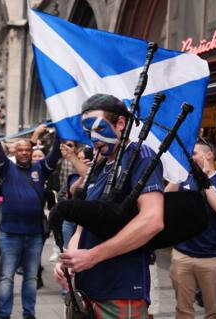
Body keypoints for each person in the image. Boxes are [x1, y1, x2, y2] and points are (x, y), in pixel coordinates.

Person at [53, 94, 164, 317]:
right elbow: (82, 227)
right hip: (87, 289)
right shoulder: (99, 167)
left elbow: (153, 220)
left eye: (99, 128)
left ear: (121, 123)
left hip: (121, 289)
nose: (93, 138)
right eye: (88, 132)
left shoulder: (142, 156)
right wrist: (70, 261)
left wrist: (93, 255)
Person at [0, 105, 61, 319]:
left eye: (27, 150)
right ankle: (3, 314)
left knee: (30, 278)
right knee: (6, 277)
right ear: (14, 152)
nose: (23, 153)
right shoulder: (6, 168)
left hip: (34, 235)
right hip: (10, 234)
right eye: (19, 150)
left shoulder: (41, 169)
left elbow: (55, 154)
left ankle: (29, 314)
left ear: (31, 152)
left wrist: (59, 129)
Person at [166, 139, 216, 319]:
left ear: (209, 155)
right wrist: (178, 174)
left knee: (213, 312)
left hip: (211, 257)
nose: (191, 156)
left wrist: (204, 180)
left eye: (194, 153)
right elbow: (164, 200)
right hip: (182, 254)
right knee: (183, 310)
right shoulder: (185, 177)